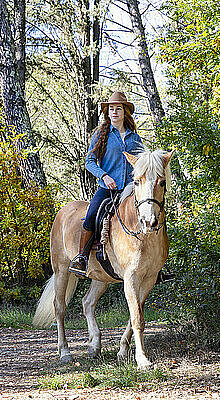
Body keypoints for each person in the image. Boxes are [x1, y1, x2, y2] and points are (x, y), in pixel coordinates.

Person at [69, 91, 145, 277]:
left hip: (130, 189)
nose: (114, 112)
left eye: (118, 108)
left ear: (125, 112)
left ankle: (153, 263)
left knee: (148, 213)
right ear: (107, 112)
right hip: (107, 188)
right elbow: (89, 162)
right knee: (91, 216)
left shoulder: (135, 139)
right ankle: (82, 258)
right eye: (111, 109)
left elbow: (142, 165)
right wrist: (104, 176)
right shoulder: (101, 135)